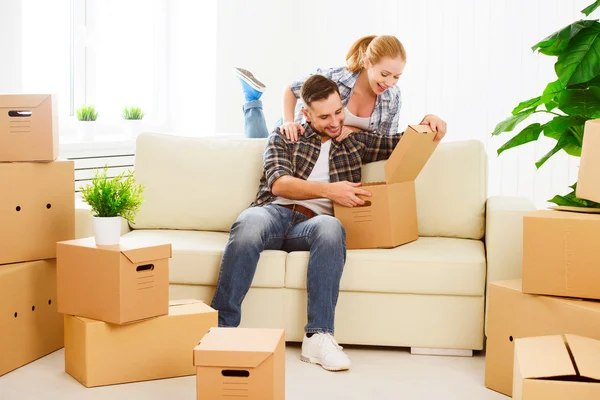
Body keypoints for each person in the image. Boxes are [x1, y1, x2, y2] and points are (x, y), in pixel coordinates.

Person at [210, 73, 447, 372]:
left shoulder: (354, 140)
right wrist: (331, 190)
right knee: (248, 224)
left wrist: (431, 120)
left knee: (332, 227)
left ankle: (319, 337)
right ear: (306, 114)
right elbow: (280, 184)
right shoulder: (286, 134)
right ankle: (221, 330)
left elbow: (401, 143)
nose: (335, 122)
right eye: (324, 117)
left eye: (339, 111)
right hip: (273, 212)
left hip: (312, 225)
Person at [235, 34, 447, 141]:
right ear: (367, 63)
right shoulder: (334, 78)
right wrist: (289, 122)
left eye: (397, 77)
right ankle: (251, 99)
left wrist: (423, 125)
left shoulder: (392, 97)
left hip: (332, 151)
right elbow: (291, 89)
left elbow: (384, 143)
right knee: (258, 149)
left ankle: (252, 99)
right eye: (384, 74)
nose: (390, 83)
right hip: (300, 131)